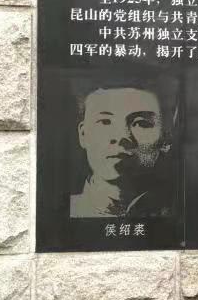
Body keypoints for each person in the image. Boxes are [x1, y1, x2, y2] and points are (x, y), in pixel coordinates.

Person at [70, 82, 174, 218]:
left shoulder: (183, 214)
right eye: (105, 122)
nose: (120, 137)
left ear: (165, 138)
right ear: (83, 135)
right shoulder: (60, 213)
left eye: (141, 123)